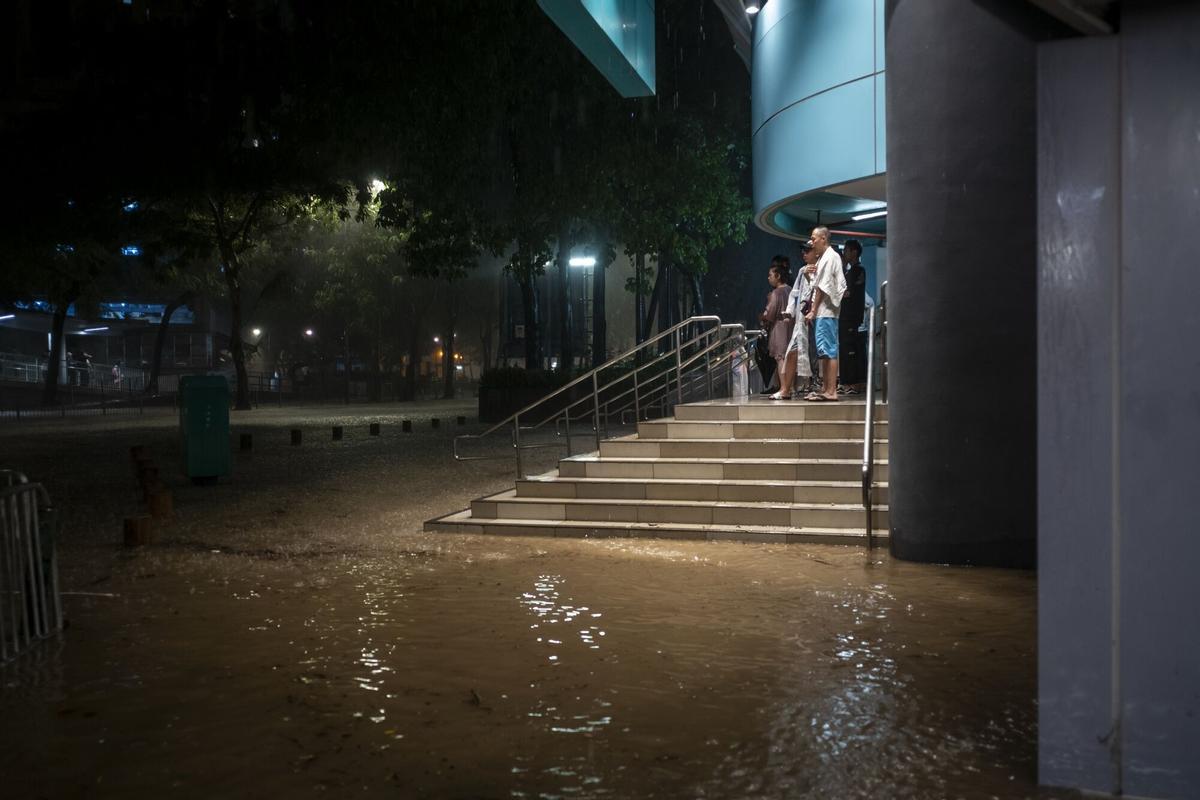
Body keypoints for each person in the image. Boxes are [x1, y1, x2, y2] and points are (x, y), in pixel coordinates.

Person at [804, 226, 846, 401]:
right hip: (824, 311)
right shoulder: (825, 258)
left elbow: (823, 287)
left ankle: (831, 390)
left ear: (823, 238)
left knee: (828, 351)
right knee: (826, 350)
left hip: (826, 311)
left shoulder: (830, 257)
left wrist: (813, 310)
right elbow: (818, 284)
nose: (812, 242)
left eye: (814, 238)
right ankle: (826, 388)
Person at [781, 244, 816, 397]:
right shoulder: (802, 271)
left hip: (815, 318)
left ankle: (807, 386)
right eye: (803, 251)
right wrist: (789, 311)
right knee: (792, 353)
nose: (804, 254)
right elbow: (795, 293)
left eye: (808, 251)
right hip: (802, 321)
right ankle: (786, 389)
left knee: (814, 354)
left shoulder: (822, 268)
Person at [759, 257, 794, 400]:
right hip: (790, 327)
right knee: (789, 358)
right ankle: (789, 387)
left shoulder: (776, 293)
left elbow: (770, 314)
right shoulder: (791, 290)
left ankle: (784, 388)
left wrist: (762, 317)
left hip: (779, 328)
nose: (769, 278)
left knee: (780, 358)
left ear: (778, 276)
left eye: (770, 275)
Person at [838, 239, 868, 394]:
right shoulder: (853, 271)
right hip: (851, 316)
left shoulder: (856, 271)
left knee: (850, 350)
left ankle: (853, 383)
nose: (844, 254)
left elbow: (846, 292)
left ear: (854, 252)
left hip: (850, 316)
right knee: (850, 349)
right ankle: (851, 382)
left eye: (846, 251)